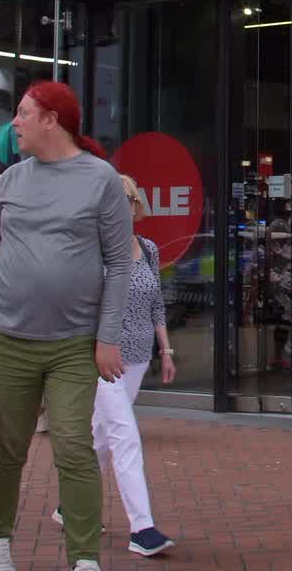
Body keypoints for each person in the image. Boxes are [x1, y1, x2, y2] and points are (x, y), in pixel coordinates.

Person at [0, 81, 133, 571]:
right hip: (9, 340)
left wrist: (108, 337)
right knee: (6, 447)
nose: (14, 123)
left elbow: (119, 264)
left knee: (73, 445)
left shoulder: (102, 180)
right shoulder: (10, 181)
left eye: (24, 113)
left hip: (75, 344)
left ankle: (85, 558)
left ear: (52, 120)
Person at [54, 176, 177, 557]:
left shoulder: (150, 249)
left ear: (135, 204)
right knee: (124, 434)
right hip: (103, 358)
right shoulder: (92, 251)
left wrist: (167, 349)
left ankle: (69, 504)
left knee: (101, 436)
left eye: (125, 198)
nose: (120, 205)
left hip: (139, 358)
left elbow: (156, 302)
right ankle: (142, 529)